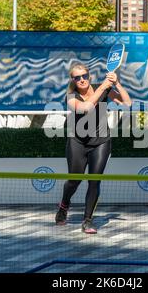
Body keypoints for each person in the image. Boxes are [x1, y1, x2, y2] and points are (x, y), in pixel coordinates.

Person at [56, 63, 132, 234]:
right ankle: (63, 206)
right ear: (73, 80)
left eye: (84, 76)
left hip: (101, 141)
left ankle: (87, 220)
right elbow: (85, 108)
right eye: (77, 77)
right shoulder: (71, 96)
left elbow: (127, 103)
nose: (81, 80)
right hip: (78, 142)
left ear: (89, 76)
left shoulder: (103, 88)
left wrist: (117, 83)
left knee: (94, 180)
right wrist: (104, 86)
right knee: (74, 180)